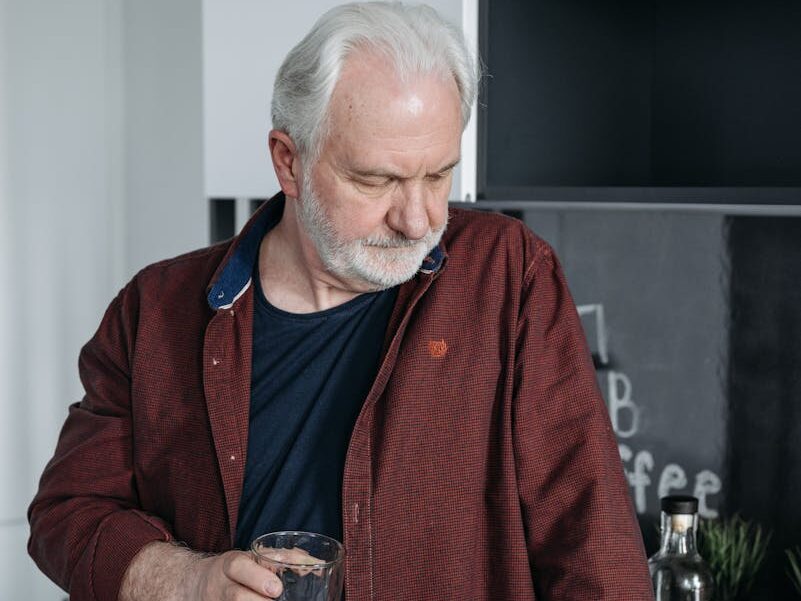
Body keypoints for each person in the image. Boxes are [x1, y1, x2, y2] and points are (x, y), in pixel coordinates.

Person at [28, 2, 654, 600]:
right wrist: (189, 582)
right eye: (376, 179)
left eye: (438, 175)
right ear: (288, 161)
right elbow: (68, 515)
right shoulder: (155, 311)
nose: (418, 219)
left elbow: (591, 541)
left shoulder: (508, 275)